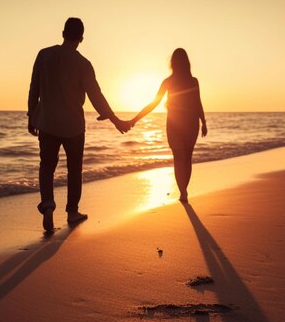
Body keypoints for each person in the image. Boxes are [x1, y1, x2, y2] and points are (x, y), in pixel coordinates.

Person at [27, 17, 130, 232]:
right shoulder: (83, 64)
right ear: (81, 38)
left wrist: (31, 116)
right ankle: (72, 212)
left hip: (47, 122)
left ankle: (47, 205)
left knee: (47, 166)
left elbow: (34, 88)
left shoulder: (44, 55)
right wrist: (113, 118)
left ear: (63, 33)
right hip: (73, 126)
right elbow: (96, 96)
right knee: (74, 169)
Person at [130, 48, 207, 203]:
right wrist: (203, 122)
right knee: (185, 158)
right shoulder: (191, 81)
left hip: (177, 124)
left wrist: (134, 120)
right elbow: (196, 103)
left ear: (172, 63)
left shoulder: (171, 81)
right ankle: (183, 191)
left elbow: (154, 103)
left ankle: (183, 191)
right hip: (189, 123)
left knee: (180, 158)